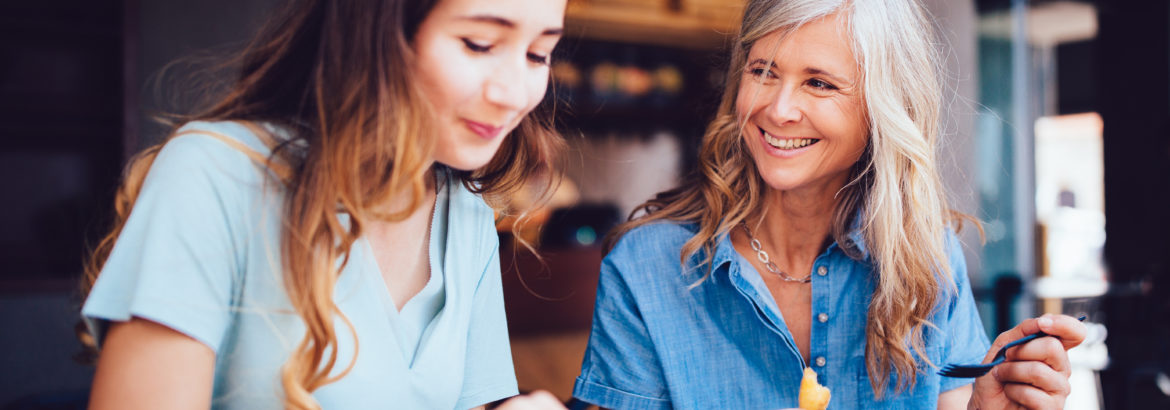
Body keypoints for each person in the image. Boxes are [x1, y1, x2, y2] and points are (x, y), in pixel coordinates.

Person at [571, 0, 1086, 408]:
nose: (778, 108)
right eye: (763, 71)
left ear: (884, 109)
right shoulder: (646, 267)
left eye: (819, 83)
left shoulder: (926, 259)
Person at [80, 0, 570, 409]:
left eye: (537, 54)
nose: (513, 94)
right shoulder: (215, 175)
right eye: (478, 44)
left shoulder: (466, 215)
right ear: (377, 31)